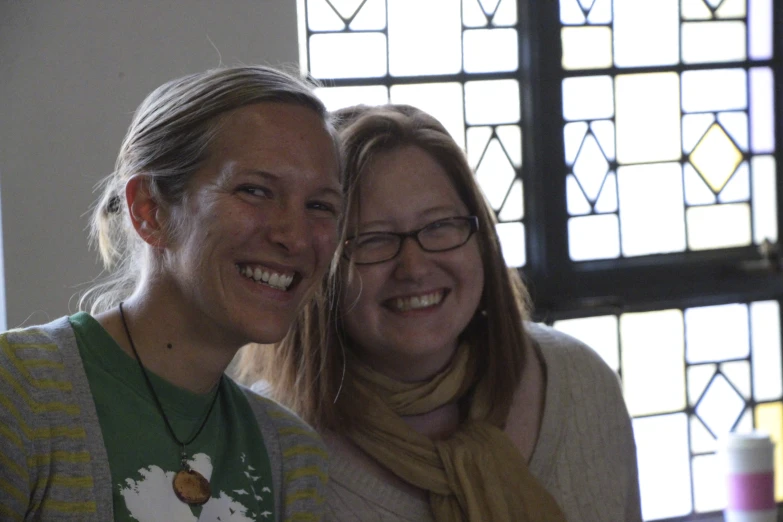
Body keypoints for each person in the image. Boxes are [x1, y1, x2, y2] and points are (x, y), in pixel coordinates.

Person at [240, 104, 642, 521]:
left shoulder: (579, 381)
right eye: (373, 239)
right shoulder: (269, 448)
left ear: (480, 239)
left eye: (439, 226)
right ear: (324, 267)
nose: (414, 268)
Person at [0, 65, 342, 521]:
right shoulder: (19, 394)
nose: (296, 237)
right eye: (256, 190)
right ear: (150, 211)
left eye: (320, 205)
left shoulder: (292, 456)